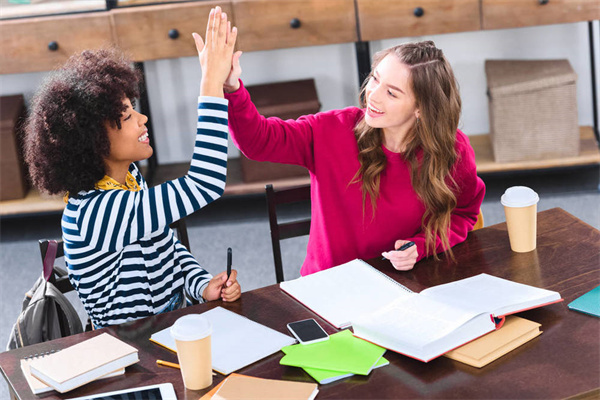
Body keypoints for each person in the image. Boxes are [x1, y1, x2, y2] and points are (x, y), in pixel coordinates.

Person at [23, 7, 241, 328]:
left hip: (169, 326)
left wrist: (201, 284)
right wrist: (211, 84)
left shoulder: (126, 179)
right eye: (126, 118)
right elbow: (205, 183)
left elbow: (165, 246)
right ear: (94, 142)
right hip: (130, 347)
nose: (143, 120)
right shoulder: (95, 212)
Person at [222, 40, 485, 275]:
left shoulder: (452, 151)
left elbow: (462, 213)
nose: (373, 94)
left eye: (392, 92)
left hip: (402, 282)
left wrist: (421, 246)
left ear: (420, 109)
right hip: (329, 286)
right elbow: (258, 141)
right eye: (375, 79)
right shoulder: (332, 129)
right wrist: (232, 88)